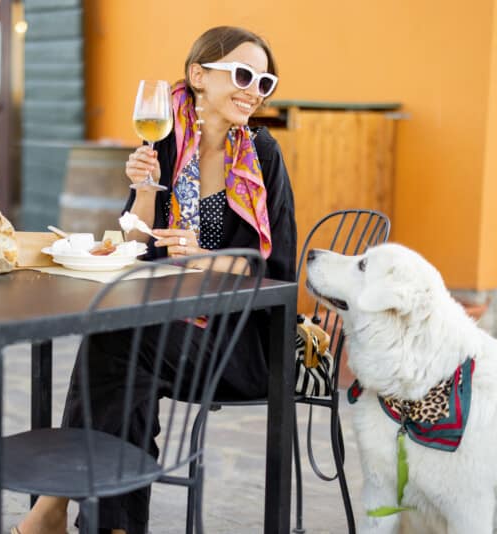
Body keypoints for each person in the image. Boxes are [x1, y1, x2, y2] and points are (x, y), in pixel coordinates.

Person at [15, 25, 297, 534]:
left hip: (240, 340)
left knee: (117, 339)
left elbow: (274, 269)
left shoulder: (263, 155)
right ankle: (100, 523)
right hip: (168, 323)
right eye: (241, 74)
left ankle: (53, 510)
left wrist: (204, 257)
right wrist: (144, 191)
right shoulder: (167, 139)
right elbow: (138, 247)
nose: (253, 90)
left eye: (264, 82)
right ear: (198, 77)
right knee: (123, 364)